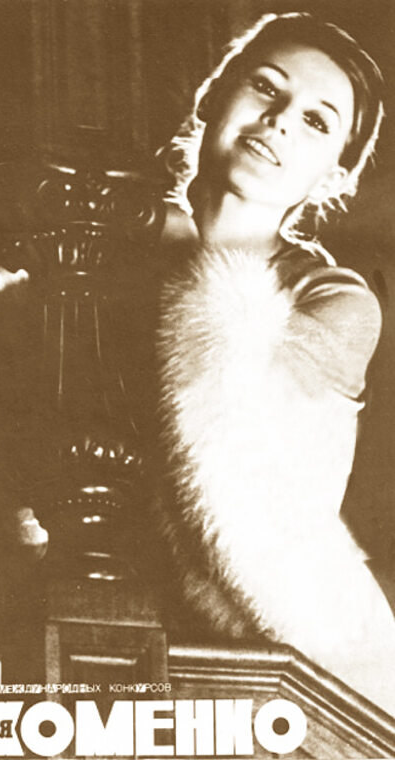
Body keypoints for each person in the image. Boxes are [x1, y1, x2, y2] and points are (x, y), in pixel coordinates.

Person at [156, 11, 395, 715]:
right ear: (212, 97)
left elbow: (240, 481)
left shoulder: (337, 301)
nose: (281, 120)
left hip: (282, 660)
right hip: (95, 623)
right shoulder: (95, 247)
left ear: (333, 175)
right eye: (265, 87)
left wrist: (185, 240)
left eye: (317, 122)